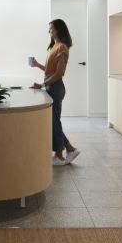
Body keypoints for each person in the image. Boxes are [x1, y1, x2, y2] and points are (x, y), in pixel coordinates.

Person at [30, 19, 80, 166]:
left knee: (55, 121)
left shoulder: (62, 48)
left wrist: (42, 84)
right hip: (51, 86)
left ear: (58, 30)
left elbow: (59, 73)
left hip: (55, 87)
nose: (49, 31)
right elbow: (50, 70)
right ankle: (69, 149)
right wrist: (37, 64)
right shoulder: (54, 47)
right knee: (53, 121)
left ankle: (60, 155)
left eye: (51, 28)